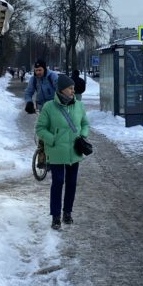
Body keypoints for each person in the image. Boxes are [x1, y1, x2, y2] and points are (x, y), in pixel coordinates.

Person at [35, 74, 90, 230]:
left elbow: (85, 124)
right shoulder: (49, 107)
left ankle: (67, 213)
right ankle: (56, 216)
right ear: (61, 90)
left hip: (74, 151)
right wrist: (52, 140)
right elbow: (40, 128)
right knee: (58, 182)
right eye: (70, 88)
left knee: (71, 183)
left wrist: (83, 135)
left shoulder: (79, 105)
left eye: (73, 88)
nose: (73, 91)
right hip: (57, 151)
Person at [24, 60, 58, 164]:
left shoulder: (52, 76)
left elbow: (60, 90)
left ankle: (58, 155)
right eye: (36, 70)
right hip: (42, 108)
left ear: (45, 68)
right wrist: (29, 102)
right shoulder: (34, 79)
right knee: (42, 132)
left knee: (55, 131)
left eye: (40, 70)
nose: (38, 72)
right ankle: (42, 160)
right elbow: (28, 92)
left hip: (54, 108)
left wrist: (59, 104)